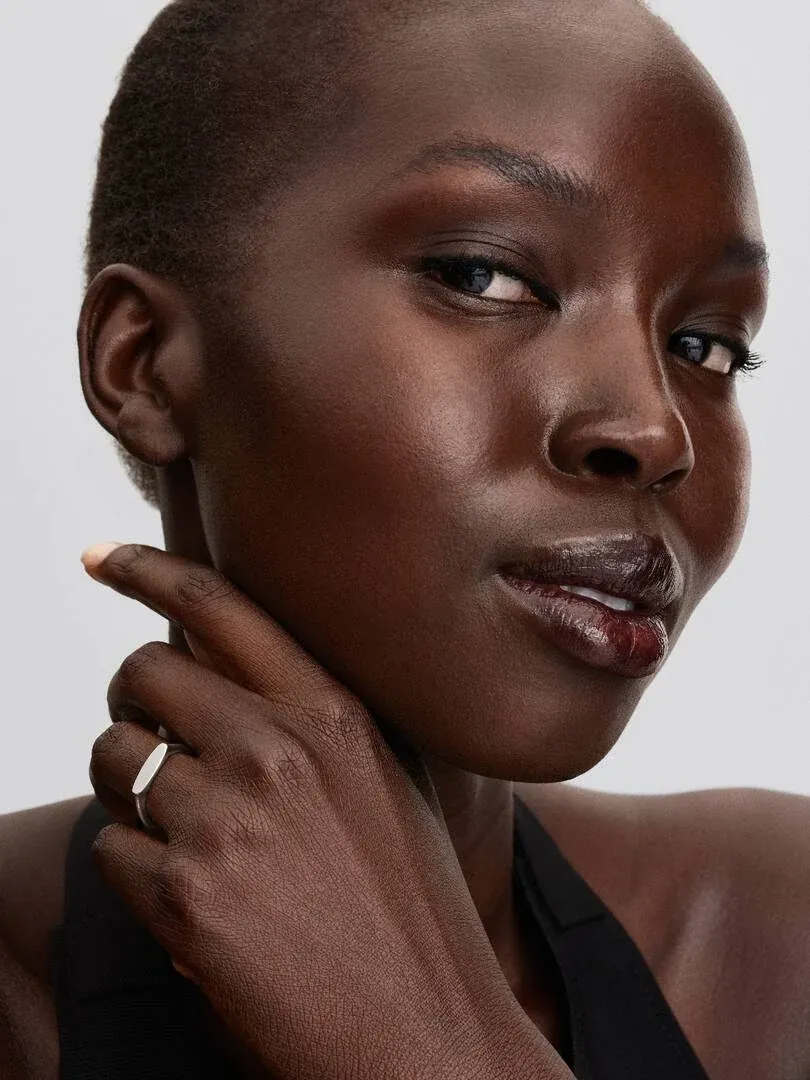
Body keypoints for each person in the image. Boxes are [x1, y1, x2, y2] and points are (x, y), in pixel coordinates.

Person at [1, 0, 808, 1076]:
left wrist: (425, 1042)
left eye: (706, 344)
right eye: (486, 277)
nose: (655, 429)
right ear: (143, 362)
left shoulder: (775, 944)